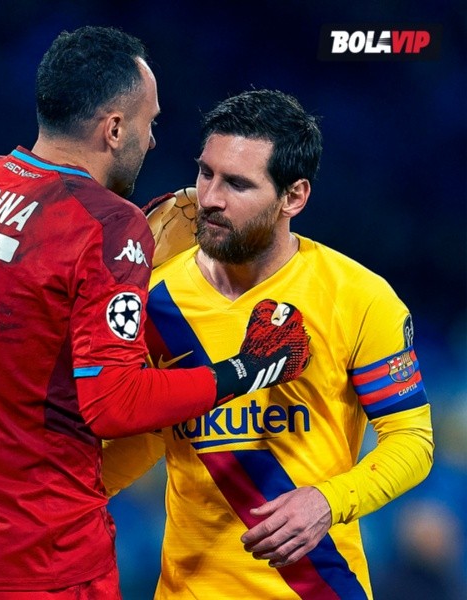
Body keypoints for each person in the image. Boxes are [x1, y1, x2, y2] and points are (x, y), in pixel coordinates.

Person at [0, 31, 311, 600]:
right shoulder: (107, 225)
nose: (153, 138)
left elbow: (27, 330)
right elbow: (114, 404)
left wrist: (117, 281)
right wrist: (247, 369)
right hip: (42, 558)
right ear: (115, 128)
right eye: (150, 121)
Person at [102, 89, 434, 599]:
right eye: (206, 173)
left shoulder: (358, 297)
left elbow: (412, 440)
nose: (209, 198)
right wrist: (53, 496)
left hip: (320, 588)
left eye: (237, 183)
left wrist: (328, 501)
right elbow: (146, 435)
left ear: (293, 197)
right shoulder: (153, 300)